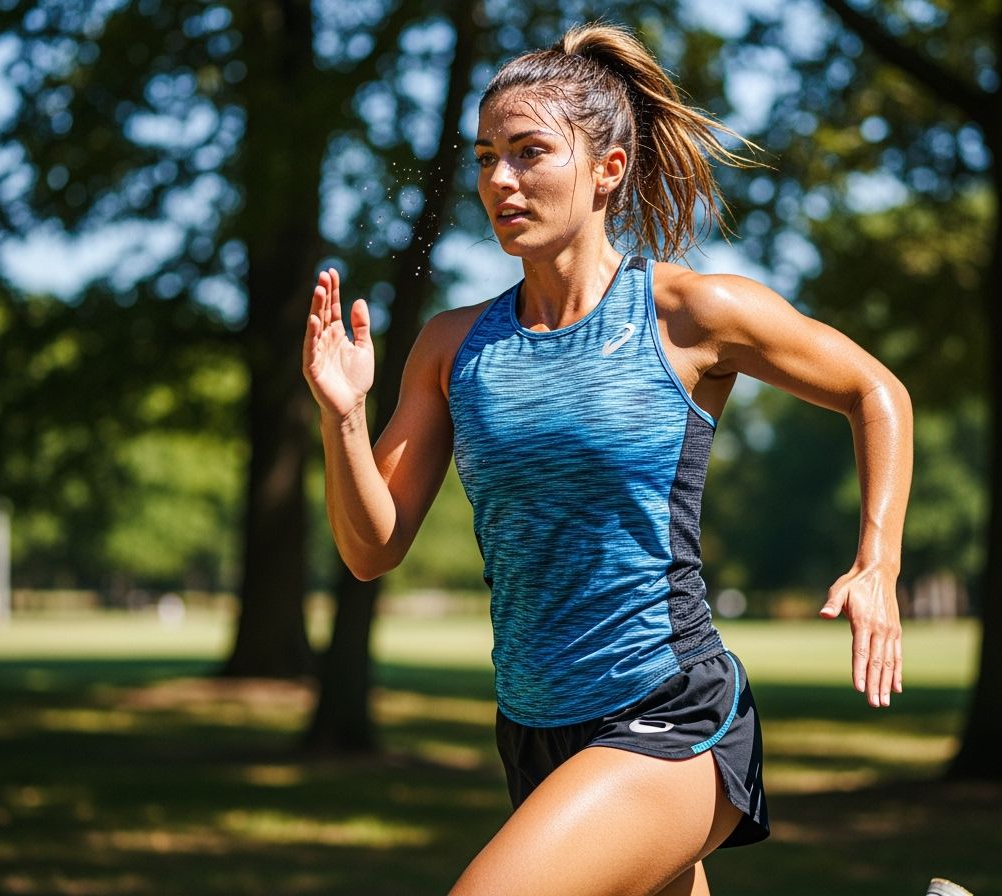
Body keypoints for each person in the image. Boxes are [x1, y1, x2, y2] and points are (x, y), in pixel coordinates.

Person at [304, 22, 913, 896]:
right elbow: (372, 547)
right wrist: (344, 416)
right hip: (533, 727)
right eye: (484, 158)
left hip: (671, 712)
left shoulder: (688, 313)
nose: (499, 180)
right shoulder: (451, 345)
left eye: (529, 152)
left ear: (607, 170)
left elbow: (875, 391)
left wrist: (878, 561)